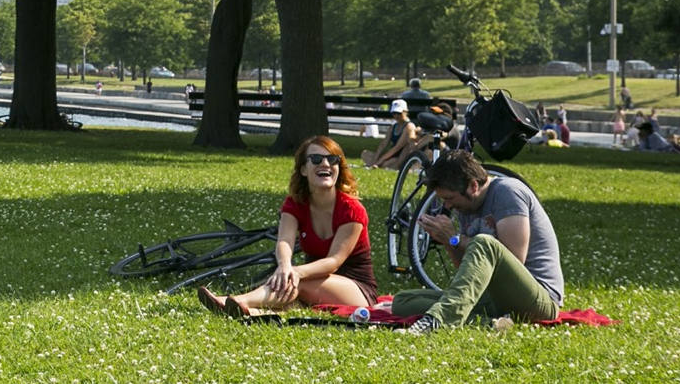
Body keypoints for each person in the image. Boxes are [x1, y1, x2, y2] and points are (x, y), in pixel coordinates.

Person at [199, 136, 376, 316]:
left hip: (356, 289)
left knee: (295, 282)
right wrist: (284, 266)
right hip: (314, 280)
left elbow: (334, 261)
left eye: (332, 160)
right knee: (289, 284)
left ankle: (236, 300)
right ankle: (250, 311)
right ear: (303, 170)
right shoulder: (295, 204)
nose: (325, 164)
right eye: (316, 159)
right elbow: (284, 241)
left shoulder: (352, 210)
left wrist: (295, 272)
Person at [393, 150, 564, 333]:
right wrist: (448, 241)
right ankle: (490, 324)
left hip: (538, 299)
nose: (447, 206)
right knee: (402, 301)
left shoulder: (508, 192)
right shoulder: (466, 206)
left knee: (484, 242)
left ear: (473, 186)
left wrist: (455, 238)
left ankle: (438, 321)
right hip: (494, 297)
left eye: (449, 198)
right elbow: (472, 274)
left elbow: (514, 259)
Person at [361, 99, 425, 170]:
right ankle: (381, 164)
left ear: (405, 112)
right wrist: (375, 159)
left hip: (402, 154)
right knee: (365, 154)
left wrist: (380, 161)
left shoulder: (409, 126)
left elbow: (397, 147)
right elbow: (383, 144)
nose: (396, 115)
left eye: (399, 113)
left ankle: (387, 165)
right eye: (394, 113)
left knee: (386, 163)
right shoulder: (393, 127)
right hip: (392, 154)